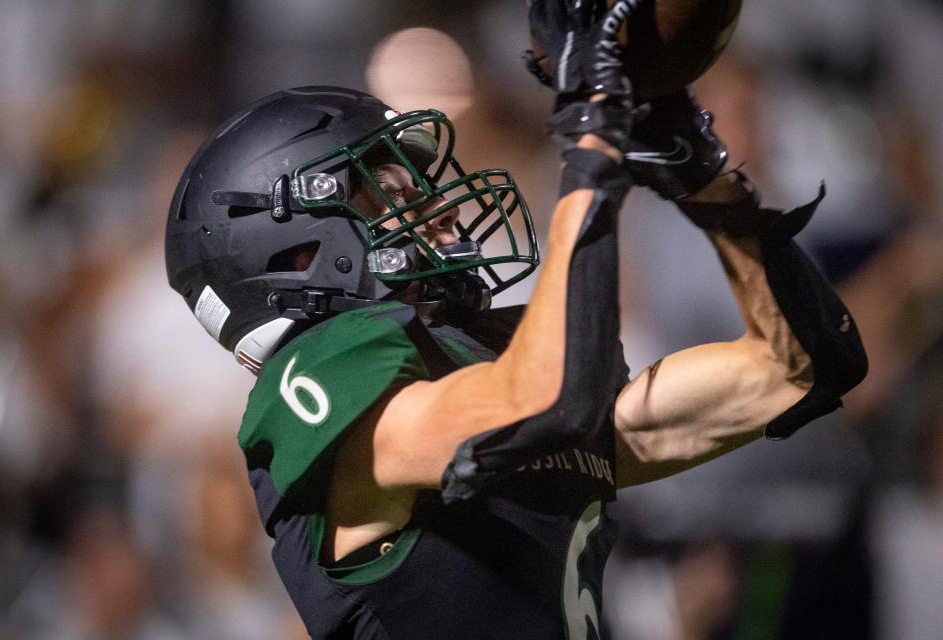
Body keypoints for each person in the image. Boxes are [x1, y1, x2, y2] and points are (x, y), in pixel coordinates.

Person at [164, 9, 866, 638]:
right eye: (389, 193)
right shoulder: (319, 375)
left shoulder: (483, 369)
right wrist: (593, 138)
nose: (437, 207)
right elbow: (540, 401)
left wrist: (698, 168)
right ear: (295, 252)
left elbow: (798, 364)